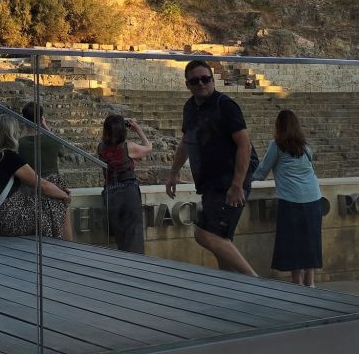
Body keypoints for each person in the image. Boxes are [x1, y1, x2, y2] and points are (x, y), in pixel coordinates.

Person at [166, 60, 258, 275]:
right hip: (209, 183)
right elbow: (186, 143)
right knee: (221, 241)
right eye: (195, 81)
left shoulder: (225, 105)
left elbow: (244, 145)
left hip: (229, 181)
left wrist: (237, 185)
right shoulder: (190, 108)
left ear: (213, 80)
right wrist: (173, 173)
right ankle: (229, 287)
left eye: (205, 79)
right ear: (187, 84)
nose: (201, 84)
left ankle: (255, 281)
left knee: (205, 234)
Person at [253, 109, 324, 287]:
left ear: (279, 126)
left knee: (294, 242)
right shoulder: (306, 148)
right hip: (314, 198)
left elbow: (261, 173)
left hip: (291, 200)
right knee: (310, 240)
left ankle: (297, 282)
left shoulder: (276, 146)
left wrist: (240, 178)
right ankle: (310, 282)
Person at [0, 114, 72, 239]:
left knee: (54, 190)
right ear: (11, 134)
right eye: (16, 130)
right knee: (57, 190)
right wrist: (65, 196)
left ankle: (61, 241)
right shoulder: (9, 157)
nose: (19, 132)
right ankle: (67, 243)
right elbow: (42, 185)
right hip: (9, 219)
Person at [97, 114, 155, 253]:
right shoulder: (129, 147)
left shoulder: (100, 148)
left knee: (120, 239)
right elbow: (148, 147)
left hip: (111, 193)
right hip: (128, 193)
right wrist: (137, 128)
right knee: (134, 237)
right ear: (123, 130)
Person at [19, 101, 74, 240]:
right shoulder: (52, 141)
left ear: (24, 120)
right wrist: (45, 126)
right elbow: (62, 151)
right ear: (41, 118)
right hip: (55, 189)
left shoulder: (20, 144)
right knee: (62, 225)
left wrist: (24, 129)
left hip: (30, 191)